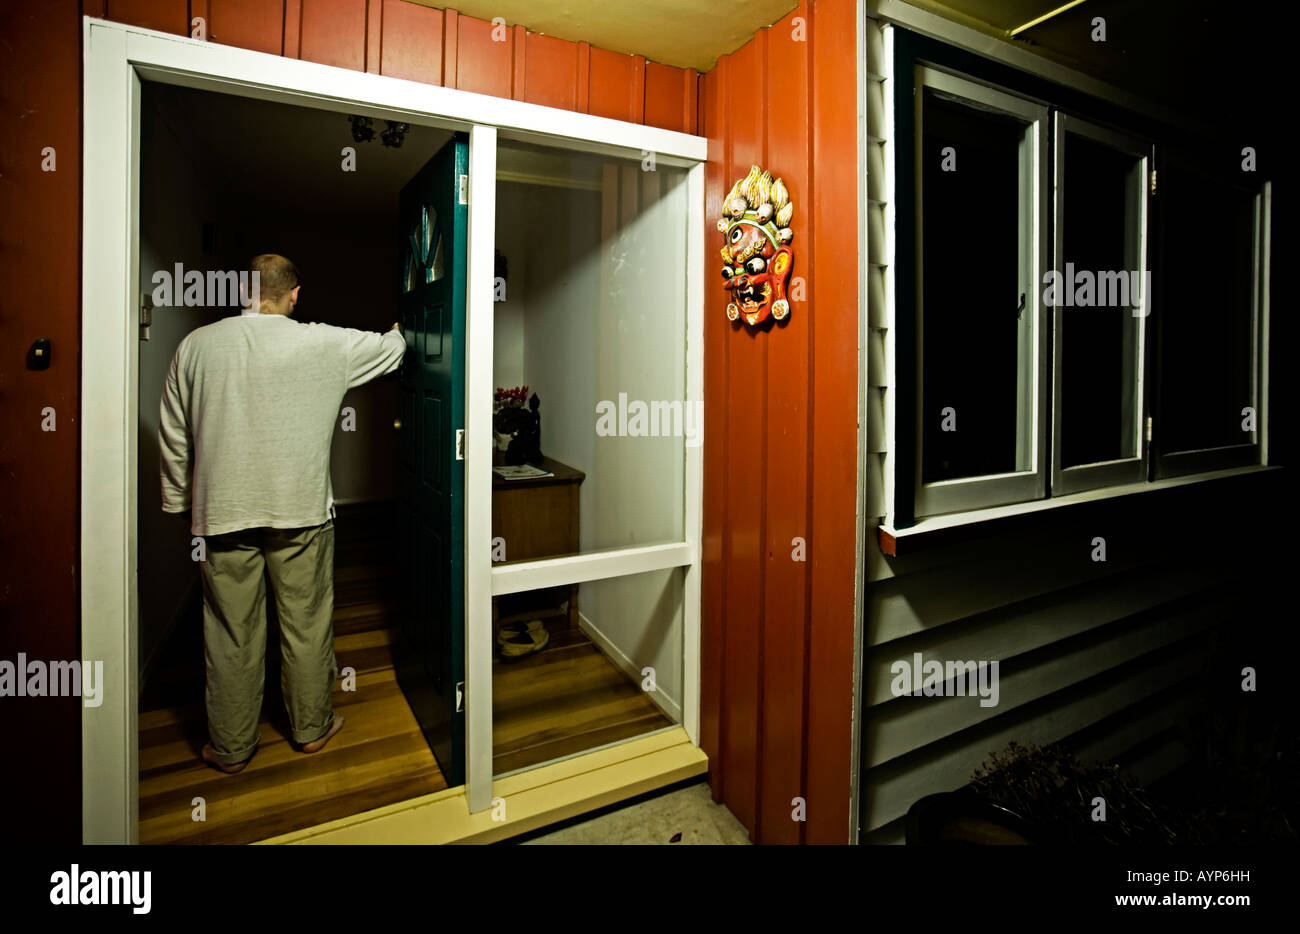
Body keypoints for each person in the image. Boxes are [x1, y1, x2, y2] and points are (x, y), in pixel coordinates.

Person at [159, 253, 404, 773]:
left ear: (244, 291)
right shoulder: (323, 342)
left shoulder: (195, 346)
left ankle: (231, 748)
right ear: (294, 295)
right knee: (307, 621)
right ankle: (311, 729)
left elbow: (174, 437)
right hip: (301, 512)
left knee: (229, 631)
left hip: (221, 513)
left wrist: (182, 503)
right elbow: (392, 351)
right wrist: (405, 326)